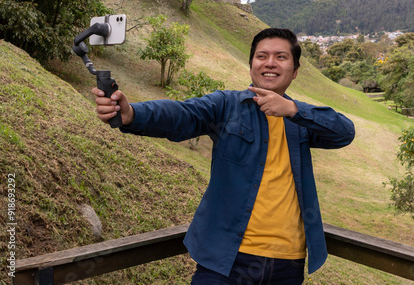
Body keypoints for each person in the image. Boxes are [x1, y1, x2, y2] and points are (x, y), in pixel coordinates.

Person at [92, 28, 355, 284]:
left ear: (295, 71)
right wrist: (133, 114)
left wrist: (293, 109)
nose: (270, 63)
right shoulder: (227, 106)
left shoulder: (301, 121)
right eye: (261, 56)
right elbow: (183, 115)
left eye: (281, 57)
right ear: (251, 65)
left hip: (288, 263)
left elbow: (344, 132)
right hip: (225, 260)